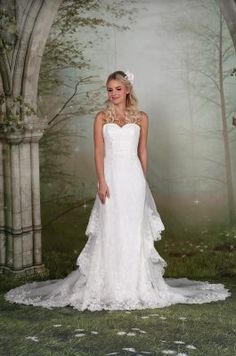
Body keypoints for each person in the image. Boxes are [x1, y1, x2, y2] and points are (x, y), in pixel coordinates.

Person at [4, 70, 230, 311]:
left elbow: (142, 151)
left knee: (133, 229)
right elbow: (98, 152)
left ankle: (135, 284)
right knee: (111, 226)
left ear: (128, 90)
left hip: (133, 179)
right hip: (111, 178)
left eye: (117, 89)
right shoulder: (101, 118)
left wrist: (143, 181)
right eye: (109, 89)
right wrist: (101, 180)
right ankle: (109, 284)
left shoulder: (141, 117)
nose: (112, 94)